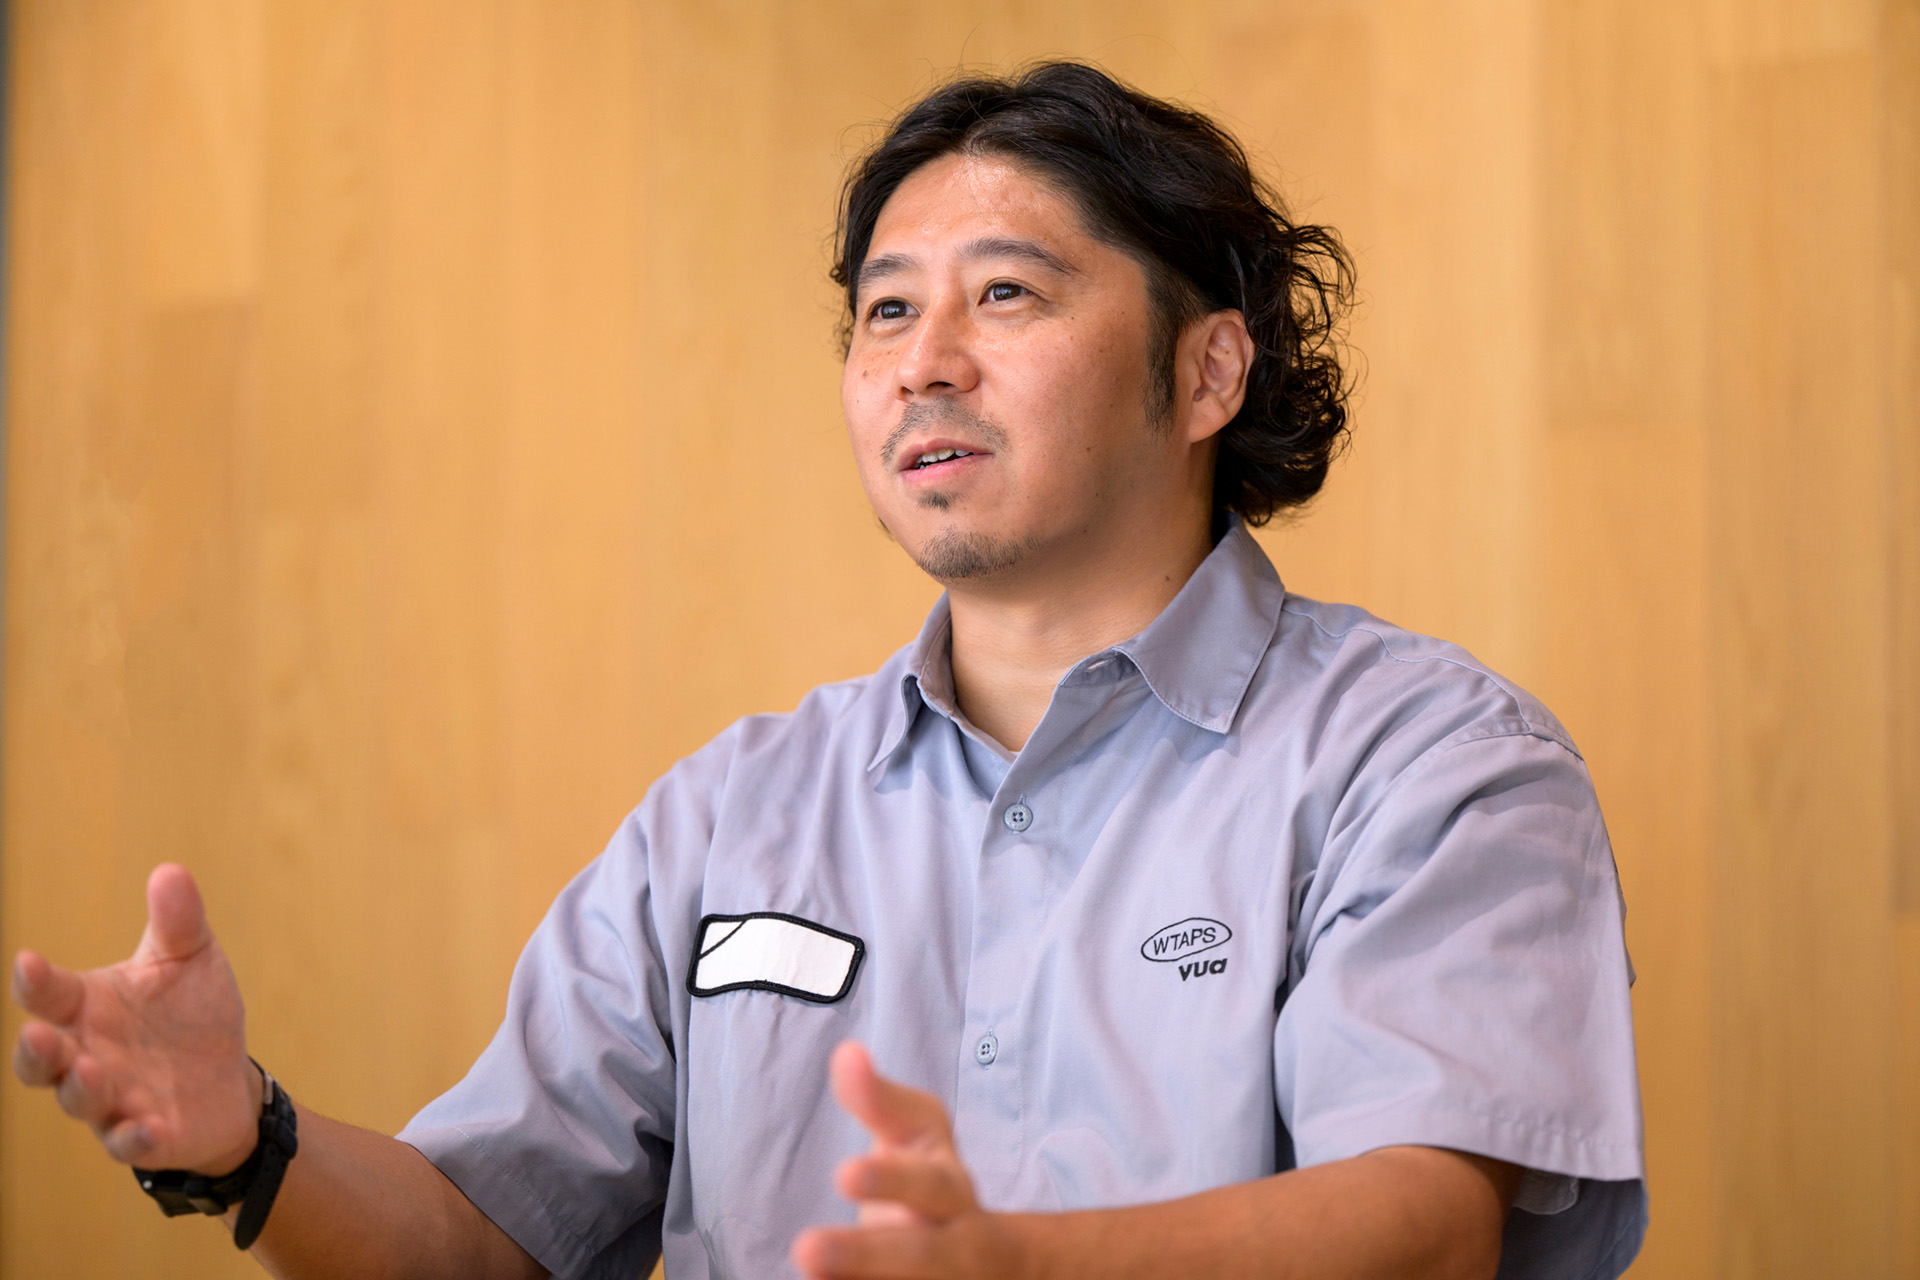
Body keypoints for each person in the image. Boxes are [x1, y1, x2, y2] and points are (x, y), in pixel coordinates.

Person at [11, 62, 1645, 1280]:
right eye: (883, 313)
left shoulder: (1430, 761)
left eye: (1006, 294)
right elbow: (487, 1240)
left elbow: (1423, 1231)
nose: (924, 363)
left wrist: (1019, 1267)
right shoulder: (734, 811)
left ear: (1209, 369)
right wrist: (252, 1145)